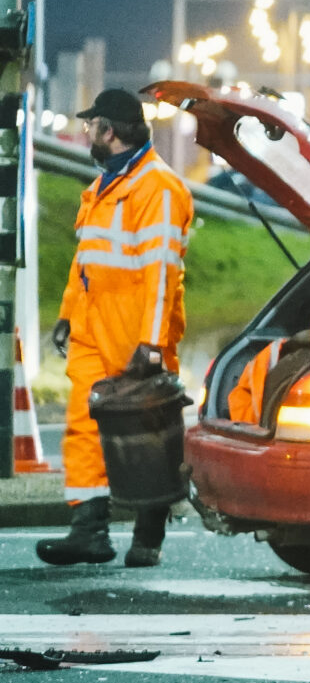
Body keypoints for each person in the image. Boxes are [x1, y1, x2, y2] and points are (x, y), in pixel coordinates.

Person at [38, 89, 195, 568]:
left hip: (136, 334)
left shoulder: (159, 189)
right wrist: (67, 313)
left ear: (110, 131)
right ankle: (89, 532)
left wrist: (150, 342)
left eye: (91, 126)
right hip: (92, 328)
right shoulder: (105, 185)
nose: (86, 133)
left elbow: (161, 273)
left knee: (149, 436)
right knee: (83, 427)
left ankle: (148, 535)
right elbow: (85, 258)